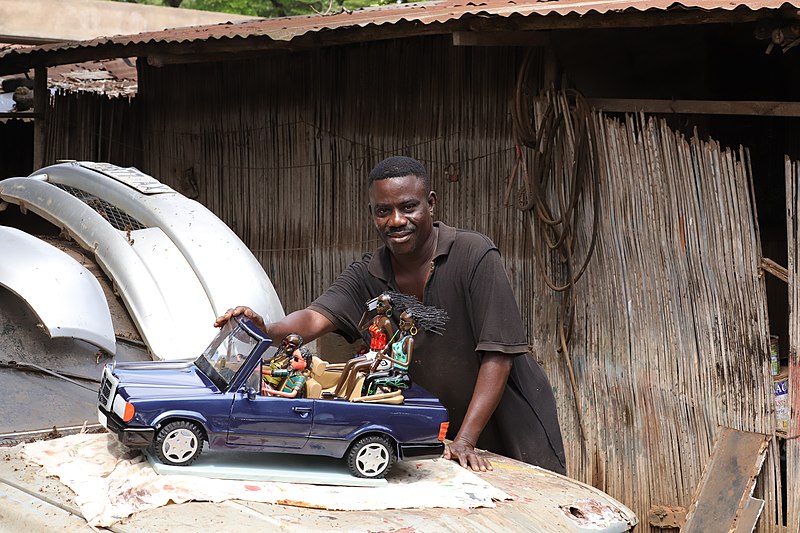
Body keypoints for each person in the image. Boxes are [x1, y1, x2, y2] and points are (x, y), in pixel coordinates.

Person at [216, 156, 566, 475]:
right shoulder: (367, 273)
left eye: (408, 207)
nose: (396, 220)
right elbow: (313, 318)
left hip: (507, 424)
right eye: (383, 211)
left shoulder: (473, 256)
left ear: (430, 204)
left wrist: (466, 439)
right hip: (436, 430)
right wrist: (267, 327)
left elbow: (498, 356)